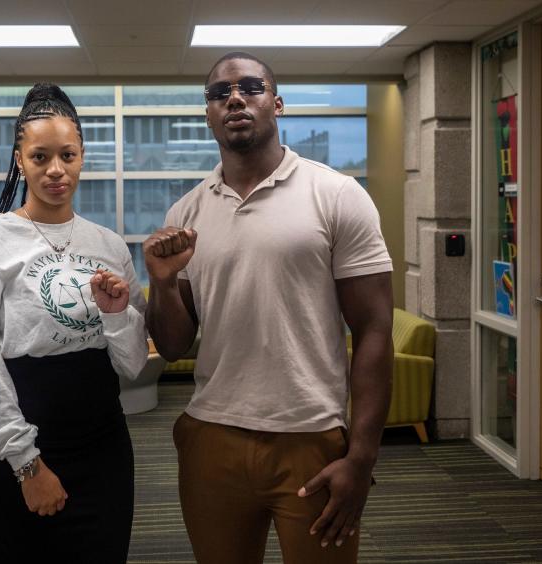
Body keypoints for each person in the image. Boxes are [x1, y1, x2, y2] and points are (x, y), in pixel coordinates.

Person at [144, 53, 395, 564]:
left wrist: (362, 456)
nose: (235, 98)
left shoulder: (336, 194)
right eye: (219, 93)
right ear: (208, 114)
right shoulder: (187, 212)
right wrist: (162, 284)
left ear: (276, 103)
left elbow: (374, 329)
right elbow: (171, 347)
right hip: (211, 436)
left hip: (310, 437)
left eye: (251, 88)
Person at [0, 83, 147, 563]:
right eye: (40, 157)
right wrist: (27, 464)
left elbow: (134, 364)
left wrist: (116, 313)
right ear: (20, 160)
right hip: (12, 449)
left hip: (101, 445)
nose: (55, 170)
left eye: (67, 155)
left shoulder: (109, 245)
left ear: (82, 158)